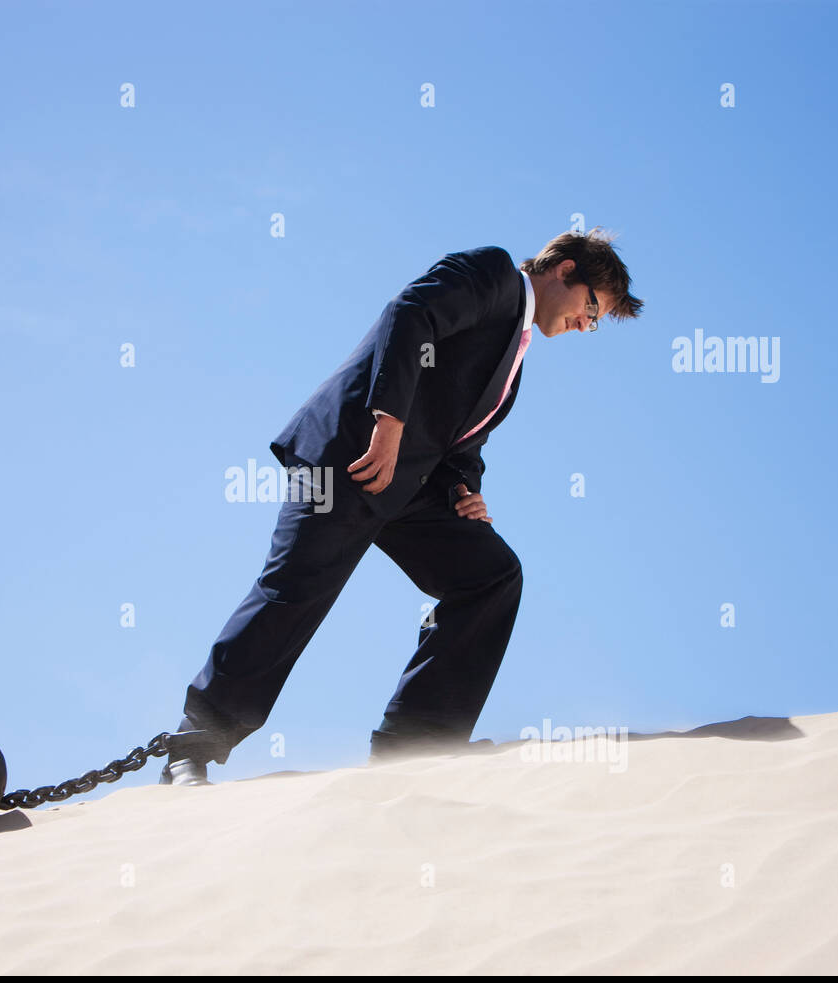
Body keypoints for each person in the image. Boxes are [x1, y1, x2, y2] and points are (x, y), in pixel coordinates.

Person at [161, 228, 643, 785]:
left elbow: (461, 439)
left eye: (597, 320)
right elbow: (411, 313)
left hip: (409, 487)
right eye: (592, 307)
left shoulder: (516, 347)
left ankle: (414, 747)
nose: (588, 324)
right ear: (563, 270)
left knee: (490, 576)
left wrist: (465, 487)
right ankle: (190, 748)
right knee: (294, 591)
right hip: (349, 457)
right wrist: (386, 422)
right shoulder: (494, 274)